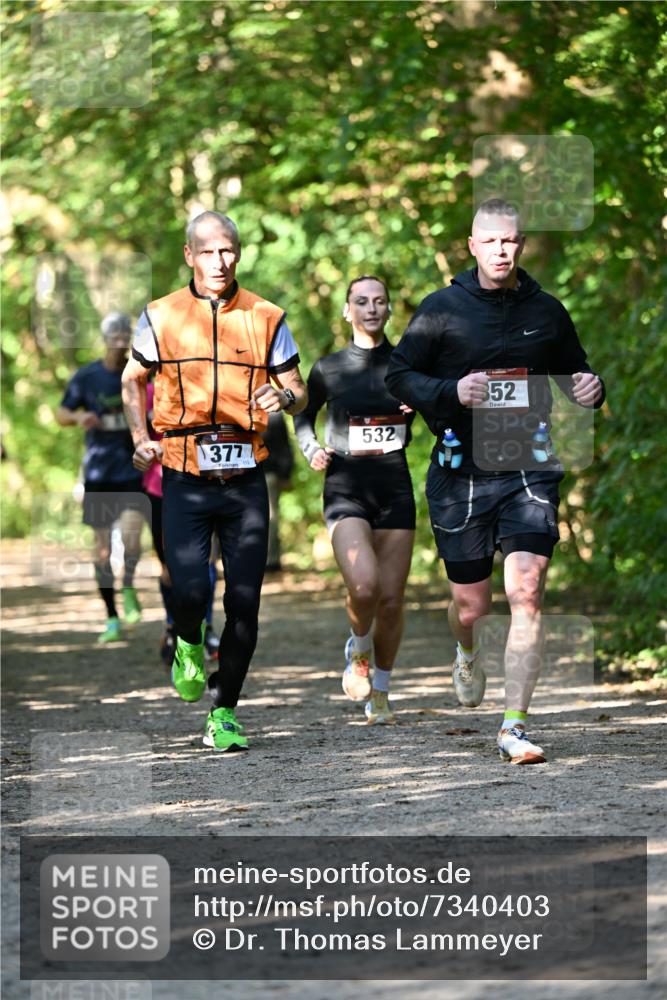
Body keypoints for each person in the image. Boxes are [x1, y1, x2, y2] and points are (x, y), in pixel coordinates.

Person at [386, 199, 605, 763]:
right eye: (491, 241)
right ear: (473, 246)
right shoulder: (441, 309)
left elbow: (575, 372)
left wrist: (590, 389)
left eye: (510, 241)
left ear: (522, 244)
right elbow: (398, 375)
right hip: (461, 470)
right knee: (471, 607)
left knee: (527, 592)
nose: (501, 251)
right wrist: (450, 392)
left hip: (528, 463)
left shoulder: (548, 311)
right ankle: (466, 651)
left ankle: (513, 725)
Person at [122, 211, 307, 753]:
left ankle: (223, 711)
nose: (219, 261)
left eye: (227, 251)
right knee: (192, 589)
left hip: (246, 475)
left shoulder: (266, 315)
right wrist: (139, 437)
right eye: (207, 252)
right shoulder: (160, 316)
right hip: (183, 474)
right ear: (189, 256)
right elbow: (133, 380)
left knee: (245, 602)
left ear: (240, 254)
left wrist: (287, 398)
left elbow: (299, 391)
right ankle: (185, 639)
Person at [294, 276, 416, 725]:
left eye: (379, 301)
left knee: (391, 600)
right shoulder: (329, 368)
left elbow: (422, 413)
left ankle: (380, 691)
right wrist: (312, 449)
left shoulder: (405, 365)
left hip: (395, 487)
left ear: (388, 310)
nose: (371, 308)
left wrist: (414, 407)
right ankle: (358, 646)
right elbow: (302, 417)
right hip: (345, 485)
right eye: (361, 302)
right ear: (348, 311)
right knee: (364, 587)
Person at [56, 312, 147, 643]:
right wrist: (80, 416)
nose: (120, 343)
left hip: (132, 470)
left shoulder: (138, 373)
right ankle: (111, 616)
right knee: (103, 550)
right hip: (98, 472)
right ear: (105, 338)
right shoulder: (87, 377)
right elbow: (61, 413)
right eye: (115, 337)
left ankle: (130, 585)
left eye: (126, 337)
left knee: (133, 540)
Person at [143, 380, 220, 666]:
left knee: (209, 559)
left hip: (205, 481)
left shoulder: (203, 378)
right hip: (160, 487)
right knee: (169, 568)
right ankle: (174, 626)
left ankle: (207, 627)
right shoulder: (148, 389)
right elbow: (135, 437)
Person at [261, 411, 295, 571]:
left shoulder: (273, 412)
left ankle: (271, 560)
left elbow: (283, 445)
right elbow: (285, 446)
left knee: (270, 517)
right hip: (241, 472)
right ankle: (270, 560)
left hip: (268, 473)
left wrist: (285, 474)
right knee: (270, 516)